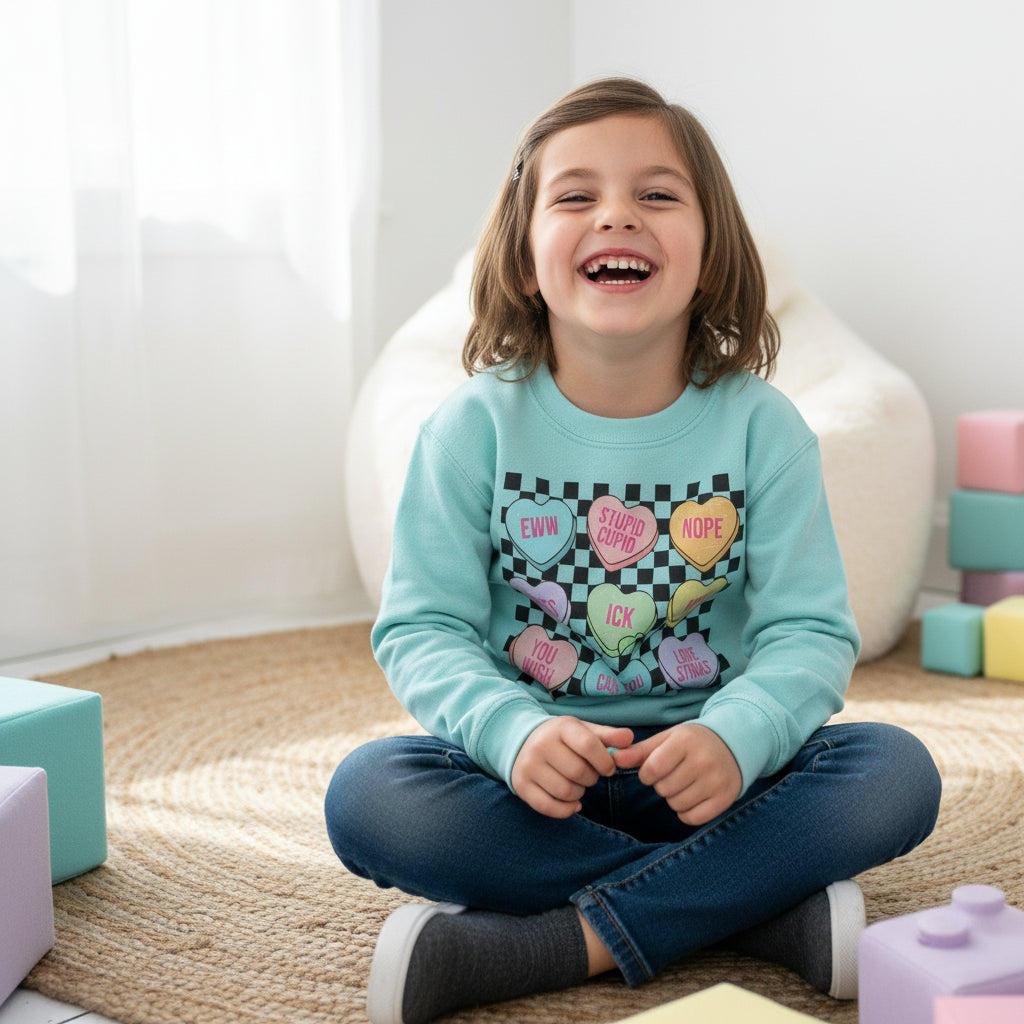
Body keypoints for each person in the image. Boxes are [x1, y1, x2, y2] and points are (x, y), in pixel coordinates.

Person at [325, 77, 941, 1024]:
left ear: (711, 253)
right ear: (527, 261)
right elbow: (423, 630)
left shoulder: (764, 429)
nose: (617, 214)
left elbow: (811, 635)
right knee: (371, 796)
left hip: (720, 780)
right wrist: (512, 732)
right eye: (576, 197)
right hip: (530, 786)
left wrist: (736, 740)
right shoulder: (470, 430)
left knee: (894, 773)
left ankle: (558, 941)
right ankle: (758, 914)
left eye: (657, 194)